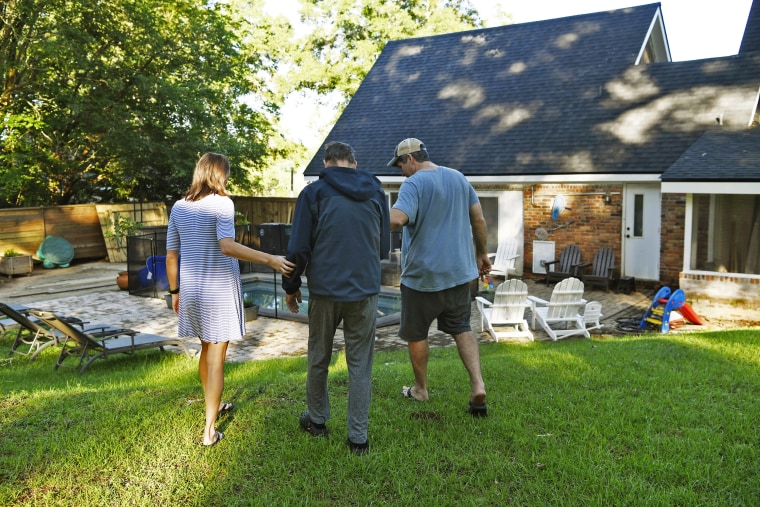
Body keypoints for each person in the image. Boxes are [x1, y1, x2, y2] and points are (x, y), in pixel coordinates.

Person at [166, 152, 295, 446]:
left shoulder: (179, 206)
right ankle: (210, 430)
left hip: (191, 290)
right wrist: (271, 259)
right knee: (217, 357)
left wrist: (175, 292)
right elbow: (227, 246)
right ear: (220, 175)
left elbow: (171, 254)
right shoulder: (223, 204)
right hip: (218, 292)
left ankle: (214, 403)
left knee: (205, 349)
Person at [283, 141, 390, 455]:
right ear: (353, 165)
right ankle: (358, 438)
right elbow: (383, 248)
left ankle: (317, 421)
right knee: (360, 365)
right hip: (366, 291)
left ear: (326, 164)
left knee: (319, 358)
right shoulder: (376, 193)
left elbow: (298, 249)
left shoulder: (313, 193)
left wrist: (290, 287)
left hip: (326, 291)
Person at [387, 138, 491, 416]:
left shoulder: (414, 183)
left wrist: (368, 217)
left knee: (417, 334)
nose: (401, 172)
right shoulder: (458, 178)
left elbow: (396, 220)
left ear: (410, 159)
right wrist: (482, 254)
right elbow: (478, 220)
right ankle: (477, 385)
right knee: (462, 328)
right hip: (459, 274)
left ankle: (420, 389)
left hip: (423, 278)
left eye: (400, 165)